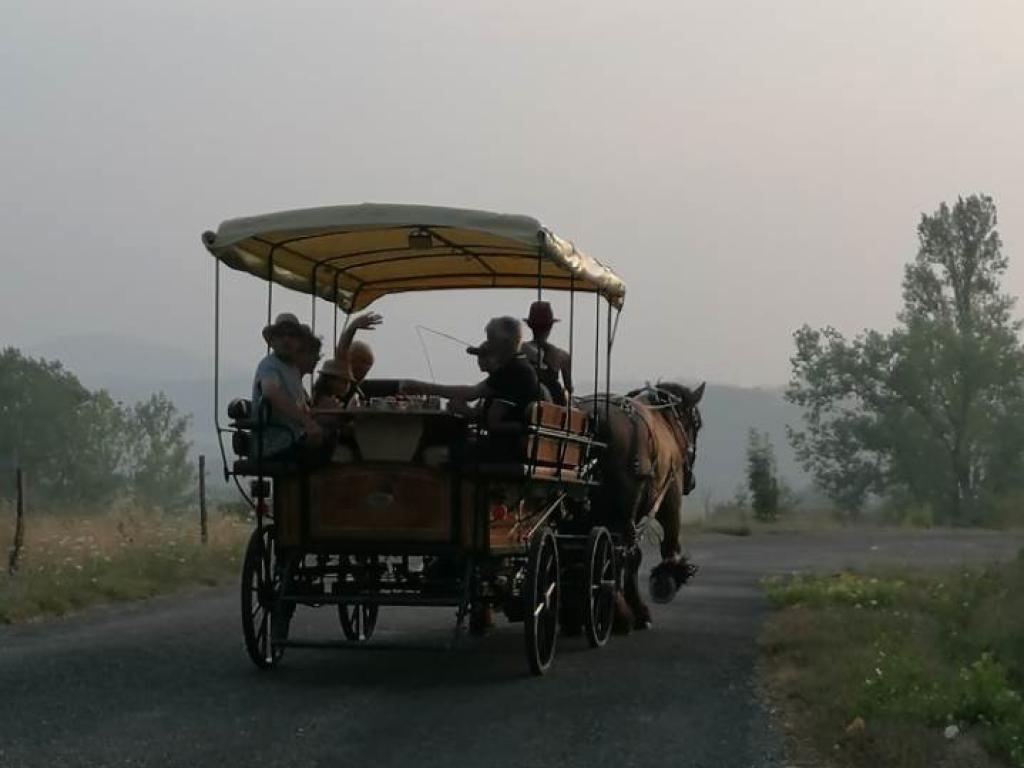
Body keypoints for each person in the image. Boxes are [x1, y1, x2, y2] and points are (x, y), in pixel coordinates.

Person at [401, 316, 541, 459]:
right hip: (510, 445)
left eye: (491, 340)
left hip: (504, 449)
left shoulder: (513, 371)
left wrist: (422, 387)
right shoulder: (520, 365)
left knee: (432, 453)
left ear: (504, 342)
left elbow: (475, 398)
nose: (488, 345)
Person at [251, 313, 324, 460]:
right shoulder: (270, 365)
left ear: (299, 342)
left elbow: (301, 408)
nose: (286, 339)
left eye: (292, 335)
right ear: (272, 341)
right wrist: (306, 422)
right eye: (281, 335)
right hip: (275, 445)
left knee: (333, 437)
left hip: (292, 438)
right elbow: (270, 392)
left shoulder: (292, 369)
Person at [521, 301, 572, 406]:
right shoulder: (563, 356)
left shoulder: (519, 349)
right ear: (550, 327)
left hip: (522, 401)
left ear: (530, 326)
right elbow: (569, 388)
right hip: (553, 407)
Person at [335, 312, 382, 404]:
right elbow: (342, 350)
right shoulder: (340, 379)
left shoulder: (356, 389)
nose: (362, 375)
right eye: (359, 369)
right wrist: (353, 327)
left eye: (366, 371)